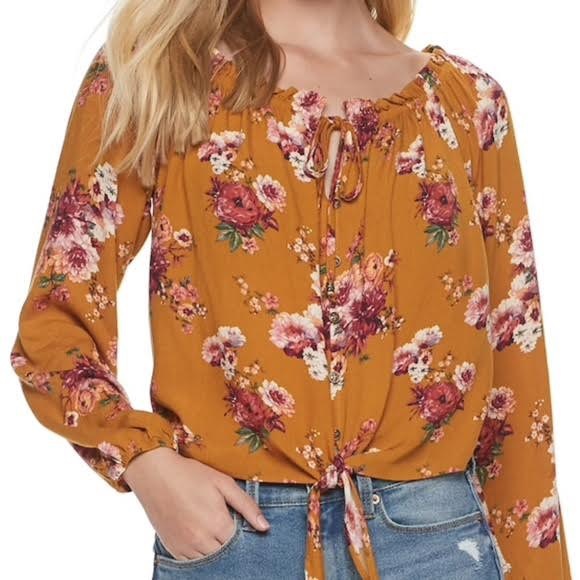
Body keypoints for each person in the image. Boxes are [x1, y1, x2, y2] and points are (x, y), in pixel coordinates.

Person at [8, 1, 572, 579]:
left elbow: (515, 384)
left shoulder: (466, 104)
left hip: (439, 540)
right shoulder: (160, 74)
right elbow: (55, 321)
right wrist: (144, 462)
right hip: (237, 539)